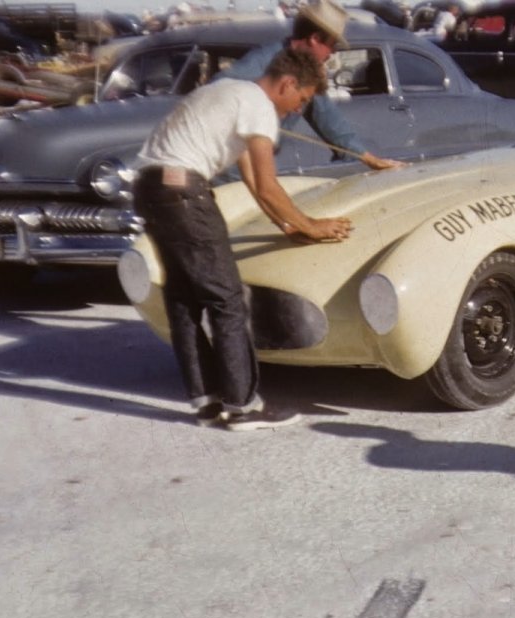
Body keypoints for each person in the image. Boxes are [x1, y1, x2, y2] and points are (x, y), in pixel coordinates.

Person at [133, 48, 353, 431]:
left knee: (184, 299)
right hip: (185, 192)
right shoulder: (260, 107)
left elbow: (252, 180)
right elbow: (268, 185)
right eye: (301, 99)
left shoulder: (230, 91)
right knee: (228, 300)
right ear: (287, 83)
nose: (298, 111)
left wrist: (289, 225)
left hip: (150, 187)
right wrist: (312, 226)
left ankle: (205, 400)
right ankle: (243, 406)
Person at [215, 0, 403, 172]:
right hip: (226, 169)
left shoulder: (308, 73)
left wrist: (370, 159)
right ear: (315, 38)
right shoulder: (262, 62)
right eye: (332, 45)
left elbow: (331, 121)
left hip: (254, 170)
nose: (332, 53)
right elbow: (217, 90)